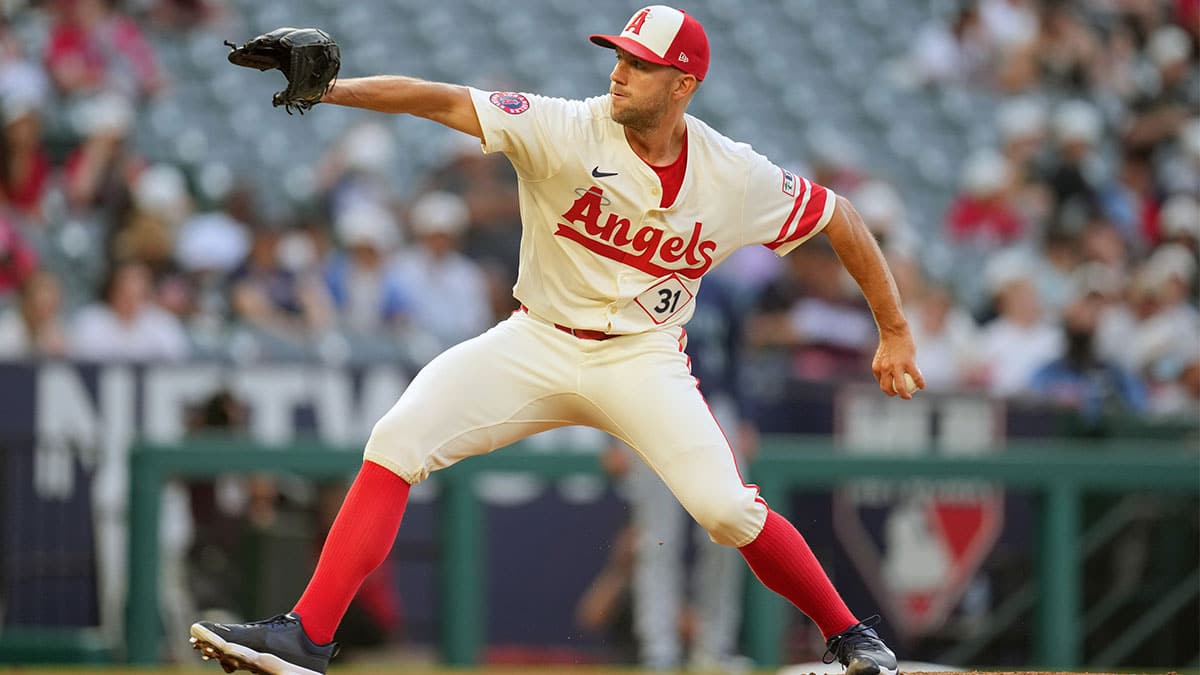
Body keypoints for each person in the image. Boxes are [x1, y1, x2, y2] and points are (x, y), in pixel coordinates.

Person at [189, 7, 923, 675]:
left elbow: (840, 217)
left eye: (638, 63)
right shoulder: (568, 125)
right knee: (397, 436)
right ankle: (305, 638)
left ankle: (853, 636)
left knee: (726, 509)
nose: (618, 70)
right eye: (619, 55)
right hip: (536, 339)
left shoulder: (732, 172)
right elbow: (442, 98)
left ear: (683, 85)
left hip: (642, 357)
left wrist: (892, 328)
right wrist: (332, 91)